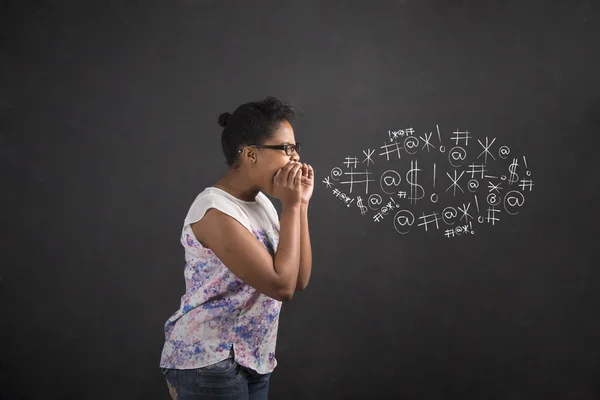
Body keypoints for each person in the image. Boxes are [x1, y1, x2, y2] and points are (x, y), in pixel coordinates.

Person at [159, 96, 314, 400]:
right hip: (208, 361)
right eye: (285, 148)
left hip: (253, 358)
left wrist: (301, 205)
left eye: (295, 147)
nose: (295, 158)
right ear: (250, 155)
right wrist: (292, 205)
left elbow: (299, 279)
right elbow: (281, 287)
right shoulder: (214, 210)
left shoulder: (263, 204)